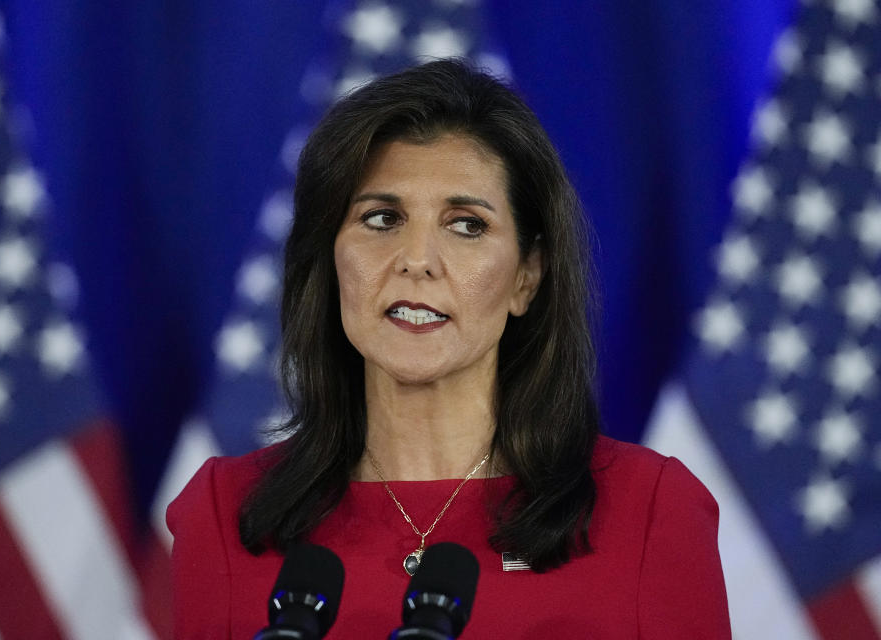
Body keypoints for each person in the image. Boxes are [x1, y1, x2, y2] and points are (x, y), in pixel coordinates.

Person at [167, 59, 730, 639]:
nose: (417, 260)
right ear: (330, 260)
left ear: (526, 277)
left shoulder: (648, 512)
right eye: (382, 218)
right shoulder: (226, 514)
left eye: (466, 226)